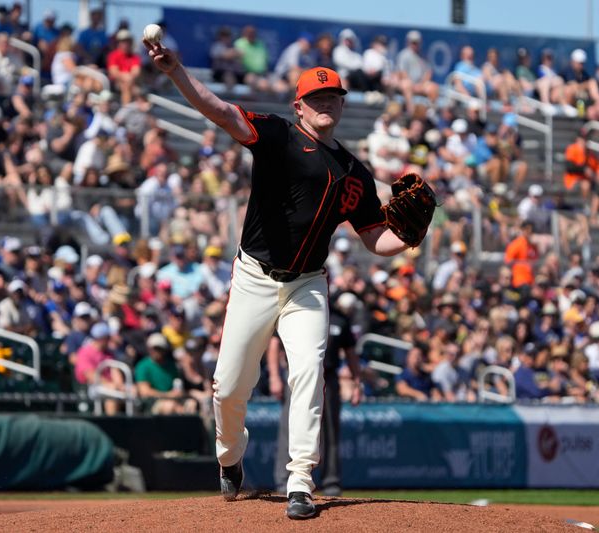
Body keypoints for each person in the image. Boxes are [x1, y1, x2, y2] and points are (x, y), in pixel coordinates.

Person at [143, 39, 411, 519]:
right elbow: (221, 111)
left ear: (342, 104)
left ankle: (301, 483)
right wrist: (177, 71)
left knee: (309, 368)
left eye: (333, 97)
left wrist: (410, 236)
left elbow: (375, 239)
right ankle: (230, 458)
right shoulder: (278, 136)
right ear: (299, 105)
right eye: (317, 97)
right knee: (228, 387)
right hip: (254, 277)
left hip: (307, 284)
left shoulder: (356, 173)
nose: (326, 103)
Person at [271, 292, 362, 497]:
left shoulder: (339, 317)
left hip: (328, 377)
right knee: (290, 426)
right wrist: (275, 376)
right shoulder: (297, 306)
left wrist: (357, 382)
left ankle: (331, 481)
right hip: (296, 374)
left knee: (329, 431)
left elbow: (350, 352)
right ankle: (284, 480)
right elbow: (275, 343)